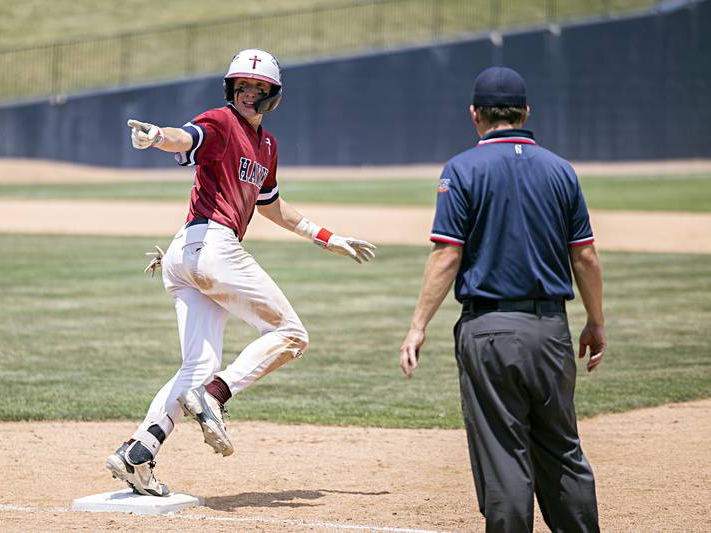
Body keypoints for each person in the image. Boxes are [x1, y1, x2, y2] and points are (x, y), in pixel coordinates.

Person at [104, 48, 375, 497]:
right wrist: (156, 137)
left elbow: (272, 206)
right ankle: (216, 394)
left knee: (198, 364)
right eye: (242, 86)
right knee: (292, 334)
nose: (249, 93)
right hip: (210, 246)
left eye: (259, 88)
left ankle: (138, 452)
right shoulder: (221, 122)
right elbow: (185, 137)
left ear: (273, 96)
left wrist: (327, 236)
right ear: (231, 90)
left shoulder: (267, 146)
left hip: (189, 255)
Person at [399, 66, 605, 532]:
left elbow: (447, 255)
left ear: (475, 114)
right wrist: (596, 321)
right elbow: (586, 257)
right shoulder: (561, 170)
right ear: (525, 112)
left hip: (489, 330)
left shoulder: (462, 169)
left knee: (504, 453)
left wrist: (417, 326)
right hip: (552, 331)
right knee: (562, 449)